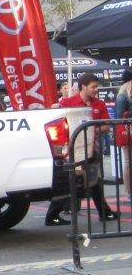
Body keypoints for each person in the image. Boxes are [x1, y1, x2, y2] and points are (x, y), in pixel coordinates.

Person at [46, 72, 120, 225]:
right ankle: (52, 215)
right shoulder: (68, 102)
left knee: (94, 181)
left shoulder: (99, 104)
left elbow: (106, 125)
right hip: (72, 151)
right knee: (66, 181)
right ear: (83, 86)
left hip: (91, 149)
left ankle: (103, 212)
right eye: (93, 87)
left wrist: (92, 131)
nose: (95, 90)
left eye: (96, 87)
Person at [114, 69, 132, 197]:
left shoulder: (124, 93)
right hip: (128, 132)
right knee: (128, 161)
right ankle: (129, 190)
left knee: (128, 161)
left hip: (128, 131)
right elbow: (120, 116)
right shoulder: (123, 95)